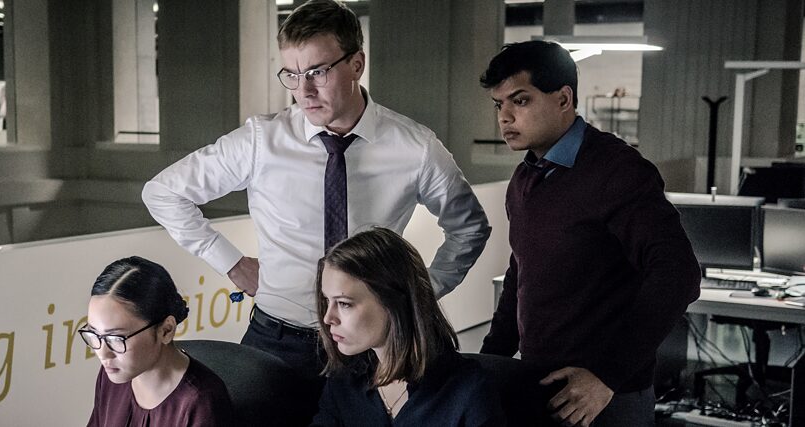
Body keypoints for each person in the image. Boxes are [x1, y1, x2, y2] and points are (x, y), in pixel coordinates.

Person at [142, 0, 490, 418]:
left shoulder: (414, 147)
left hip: (372, 344)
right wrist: (230, 262)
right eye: (291, 74)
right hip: (278, 339)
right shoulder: (261, 141)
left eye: (318, 72)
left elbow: (469, 227)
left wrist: (420, 294)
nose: (303, 91)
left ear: (357, 64)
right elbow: (163, 192)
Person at [478, 40, 701, 427]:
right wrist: (488, 362)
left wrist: (607, 376)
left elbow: (678, 273)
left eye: (521, 101)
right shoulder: (526, 177)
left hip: (605, 396)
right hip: (541, 384)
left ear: (563, 99)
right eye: (500, 105)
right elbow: (521, 272)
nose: (505, 117)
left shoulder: (618, 171)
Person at [311, 227, 503, 426]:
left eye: (344, 303)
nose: (327, 318)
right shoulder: (344, 382)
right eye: (327, 301)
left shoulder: (469, 391)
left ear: (394, 303)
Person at [82, 256, 233, 427]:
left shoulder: (201, 402)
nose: (103, 353)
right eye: (94, 334)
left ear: (166, 330)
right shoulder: (113, 374)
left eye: (116, 338)